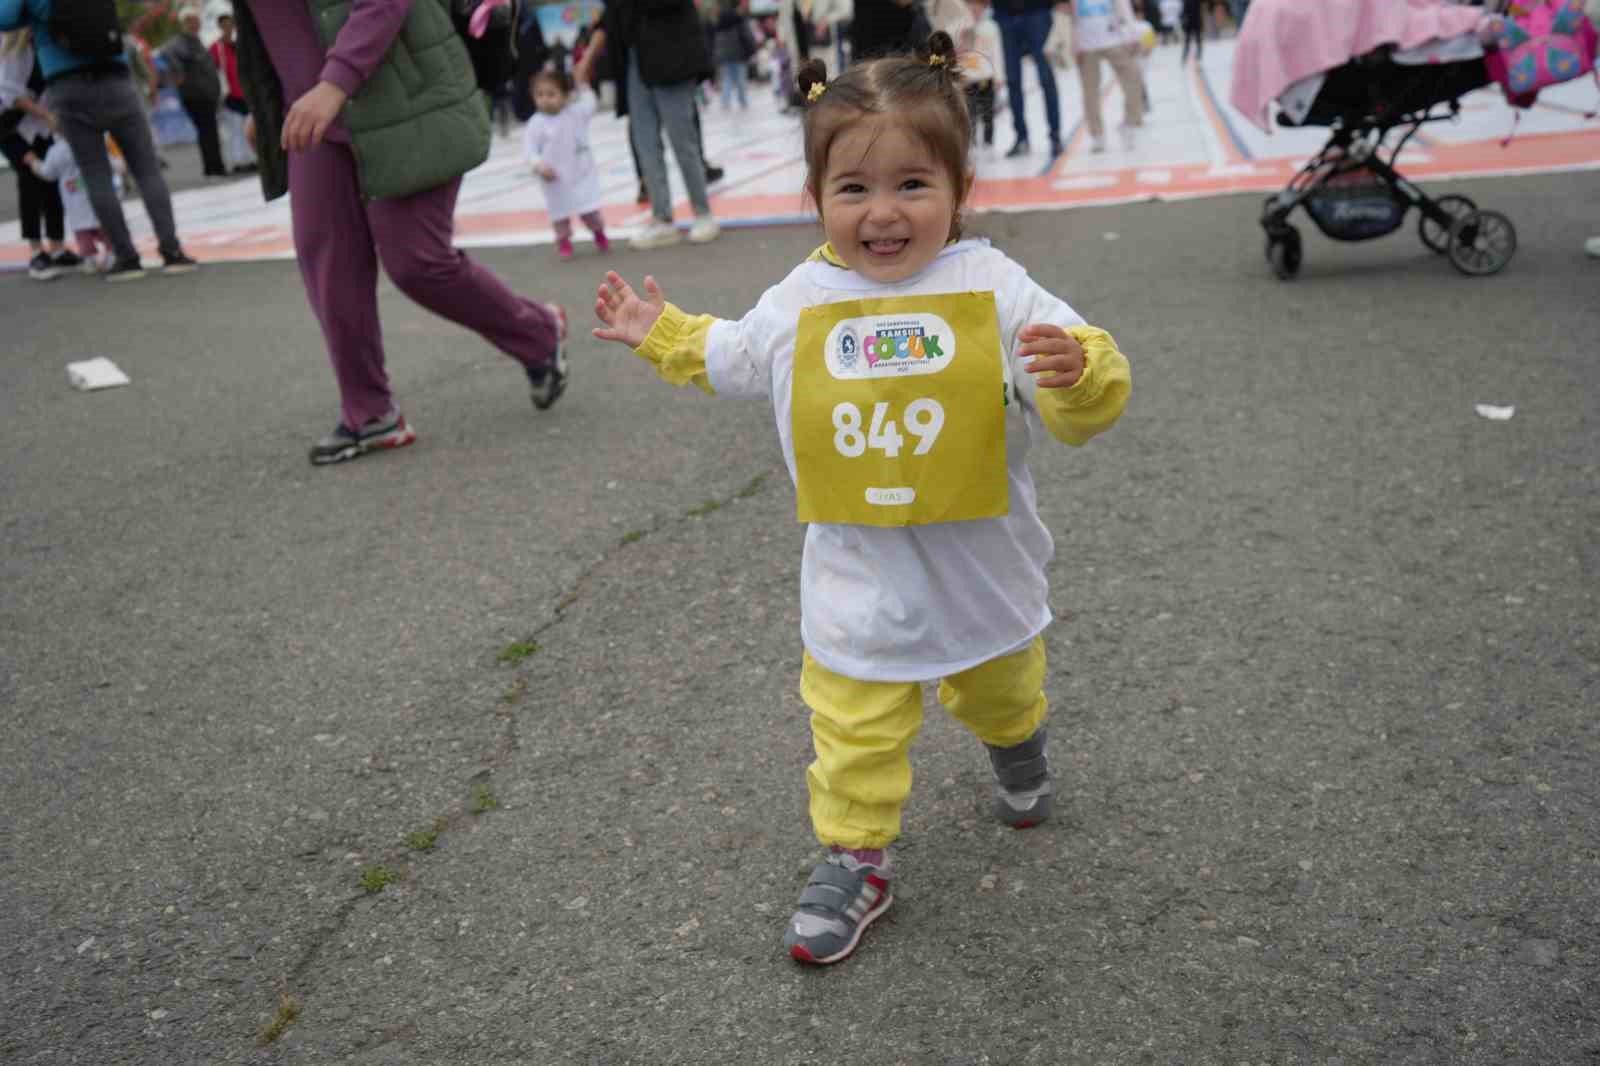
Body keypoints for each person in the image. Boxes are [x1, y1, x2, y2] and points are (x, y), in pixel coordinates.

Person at [589, 32, 1131, 965]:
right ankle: (855, 855)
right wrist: (662, 333)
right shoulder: (803, 296)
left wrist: (1078, 373)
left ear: (962, 188)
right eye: (853, 189)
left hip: (981, 571)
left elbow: (1082, 386)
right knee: (852, 727)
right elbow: (737, 354)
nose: (883, 212)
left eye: (913, 184)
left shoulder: (995, 286)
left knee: (1000, 687)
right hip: (857, 578)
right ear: (816, 198)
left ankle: (1018, 742)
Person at [230, 0, 571, 465]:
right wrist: (266, 101)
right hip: (312, 114)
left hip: (403, 91)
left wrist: (333, 83)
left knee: (417, 262)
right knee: (329, 266)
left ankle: (539, 333)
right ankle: (370, 413)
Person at [0, 0, 197, 280]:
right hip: (117, 77)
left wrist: (32, 16)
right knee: (147, 169)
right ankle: (172, 251)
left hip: (67, 85)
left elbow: (5, 18)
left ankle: (126, 257)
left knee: (95, 174)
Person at [593, 0, 721, 250]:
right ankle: (662, 218)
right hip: (633, 57)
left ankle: (703, 213)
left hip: (672, 54)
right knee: (645, 142)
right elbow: (610, 15)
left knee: (682, 140)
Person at [0, 28, 75, 279]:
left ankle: (57, 246)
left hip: (40, 126)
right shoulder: (13, 46)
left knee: (52, 180)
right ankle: (35, 252)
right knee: (30, 180)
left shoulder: (48, 43)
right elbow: (11, 94)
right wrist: (47, 116)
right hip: (10, 126)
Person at [525, 64, 609, 261]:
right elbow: (529, 150)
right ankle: (563, 241)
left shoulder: (575, 113)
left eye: (551, 94)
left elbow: (590, 103)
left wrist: (583, 85)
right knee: (559, 214)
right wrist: (539, 165)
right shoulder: (536, 123)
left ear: (565, 95)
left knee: (590, 211)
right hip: (554, 178)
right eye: (539, 95)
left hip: (580, 174)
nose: (545, 99)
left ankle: (598, 233)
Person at [33, 134, 122, 271]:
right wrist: (120, 164)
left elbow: (47, 173)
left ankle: (90, 260)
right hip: (100, 202)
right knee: (107, 233)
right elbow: (115, 165)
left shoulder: (56, 150)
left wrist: (34, 163)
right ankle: (112, 256)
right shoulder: (94, 140)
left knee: (84, 238)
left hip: (76, 208)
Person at [1071, 0, 1144, 152]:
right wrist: (1075, 44)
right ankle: (1097, 135)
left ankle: (1129, 123)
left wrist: (1133, 35)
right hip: (1086, 45)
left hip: (1114, 40)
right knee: (1090, 92)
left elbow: (1124, 7)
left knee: (1134, 77)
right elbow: (1071, 15)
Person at [161, 4, 226, 178]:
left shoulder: (198, 41)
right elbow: (166, 53)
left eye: (196, 20)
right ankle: (213, 168)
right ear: (183, 23)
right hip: (194, 95)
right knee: (206, 131)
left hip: (207, 93)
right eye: (190, 21)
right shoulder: (180, 43)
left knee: (210, 130)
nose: (194, 24)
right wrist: (178, 74)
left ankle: (216, 166)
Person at [992, 0, 1063, 157]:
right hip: (1005, 15)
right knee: (1012, 80)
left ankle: (1055, 135)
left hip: (1037, 12)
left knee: (1046, 77)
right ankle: (1021, 137)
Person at [209, 11, 256, 174]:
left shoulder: (239, 44)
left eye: (230, 24)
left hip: (246, 92)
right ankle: (238, 161)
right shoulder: (216, 48)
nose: (228, 28)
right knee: (235, 130)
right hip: (229, 94)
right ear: (220, 27)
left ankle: (251, 159)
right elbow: (213, 71)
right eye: (224, 25)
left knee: (248, 127)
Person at [952, 0, 1002, 147]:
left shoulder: (991, 27)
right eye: (971, 6)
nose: (975, 10)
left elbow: (997, 53)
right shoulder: (959, 27)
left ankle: (988, 143)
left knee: (988, 113)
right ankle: (972, 144)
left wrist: (999, 76)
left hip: (986, 78)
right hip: (968, 79)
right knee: (970, 113)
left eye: (978, 6)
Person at [712, 0, 753, 111]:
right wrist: (750, 50)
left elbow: (715, 41)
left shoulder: (718, 23)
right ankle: (742, 101)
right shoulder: (739, 20)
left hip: (723, 56)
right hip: (738, 53)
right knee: (741, 79)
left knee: (726, 79)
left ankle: (725, 102)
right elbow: (746, 36)